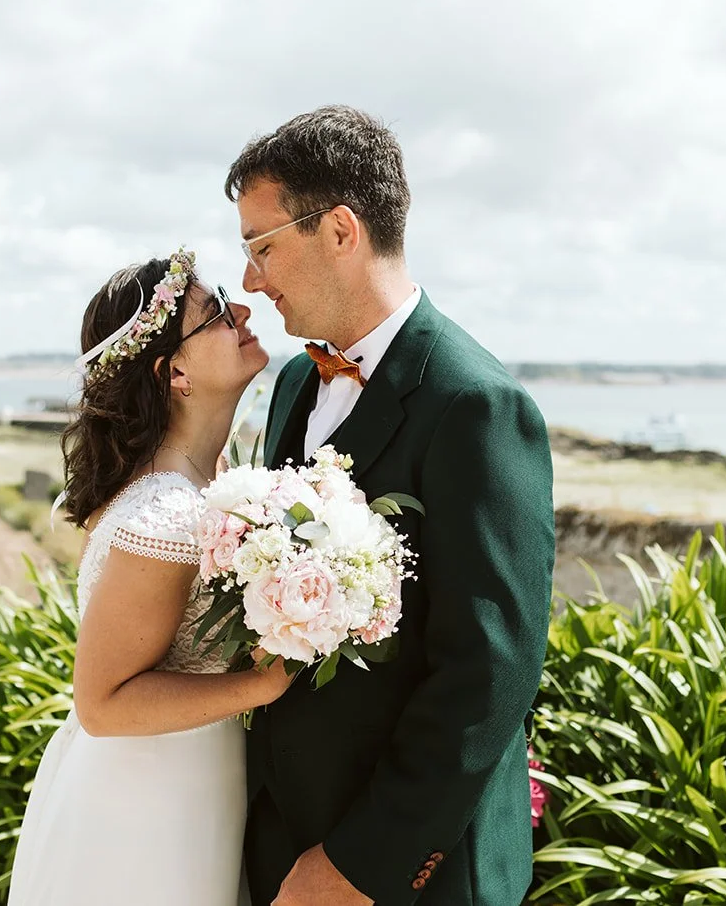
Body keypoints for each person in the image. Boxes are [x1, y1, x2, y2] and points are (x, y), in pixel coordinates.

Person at [230, 106, 556, 906]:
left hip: (407, 874)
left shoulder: (476, 404)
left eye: (262, 247)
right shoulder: (294, 382)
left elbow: (490, 672)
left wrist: (362, 863)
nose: (250, 281)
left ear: (341, 230)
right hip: (279, 842)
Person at [7, 249, 292, 906]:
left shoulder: (205, 483)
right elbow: (102, 703)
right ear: (176, 373)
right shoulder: (167, 516)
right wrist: (265, 683)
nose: (243, 310)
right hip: (145, 807)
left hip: (191, 782)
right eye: (216, 312)